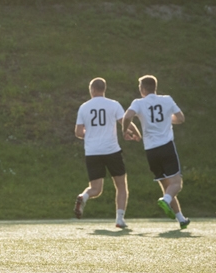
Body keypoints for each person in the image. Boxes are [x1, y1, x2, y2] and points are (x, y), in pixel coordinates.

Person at [122, 75, 190, 230]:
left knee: (167, 186)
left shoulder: (138, 102)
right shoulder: (167, 99)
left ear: (143, 89)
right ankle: (166, 200)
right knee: (176, 184)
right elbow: (181, 118)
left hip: (151, 151)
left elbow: (127, 116)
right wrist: (167, 119)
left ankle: (181, 219)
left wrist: (125, 131)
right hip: (166, 147)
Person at [73, 78, 140, 229]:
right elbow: (125, 122)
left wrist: (90, 134)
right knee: (121, 186)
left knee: (95, 189)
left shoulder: (84, 107)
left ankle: (83, 196)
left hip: (92, 152)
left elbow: (78, 132)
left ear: (92, 90)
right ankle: (119, 219)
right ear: (104, 89)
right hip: (111, 151)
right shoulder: (113, 104)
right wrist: (136, 134)